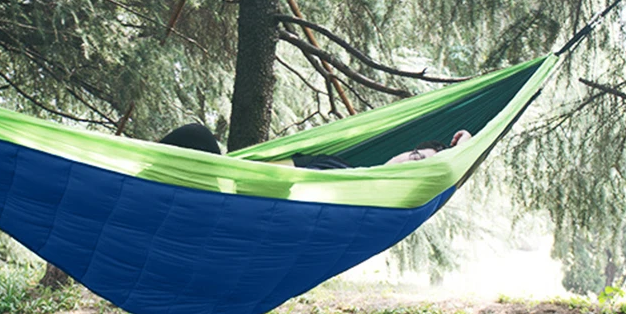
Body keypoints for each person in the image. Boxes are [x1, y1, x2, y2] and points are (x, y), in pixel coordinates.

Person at [158, 123, 472, 168]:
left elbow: (443, 173)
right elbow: (261, 170)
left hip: (244, 207)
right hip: (238, 188)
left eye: (418, 164)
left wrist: (464, 147)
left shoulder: (377, 197)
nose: (408, 161)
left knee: (196, 135)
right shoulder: (341, 167)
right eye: (414, 155)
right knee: (195, 136)